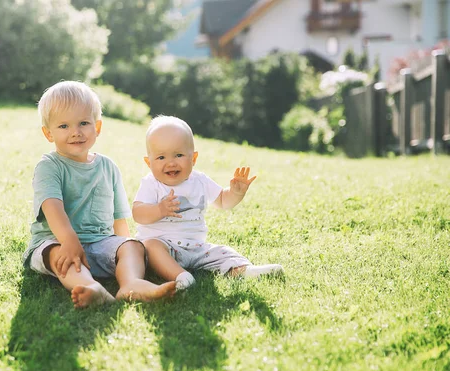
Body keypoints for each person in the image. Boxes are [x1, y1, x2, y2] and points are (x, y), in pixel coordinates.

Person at [22, 82, 176, 308]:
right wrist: (69, 240)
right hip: (56, 240)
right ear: (48, 133)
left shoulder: (108, 167)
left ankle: (131, 284)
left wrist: (123, 247)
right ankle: (91, 287)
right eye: (64, 126)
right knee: (58, 256)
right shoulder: (50, 166)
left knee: (132, 246)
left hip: (100, 243)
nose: (76, 132)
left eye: (84, 123)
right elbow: (52, 207)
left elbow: (118, 217)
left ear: (98, 127)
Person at [132, 116, 283, 291]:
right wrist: (159, 209)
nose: (171, 162)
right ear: (148, 162)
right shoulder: (151, 184)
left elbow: (222, 201)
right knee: (150, 247)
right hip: (164, 248)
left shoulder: (200, 181)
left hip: (197, 249)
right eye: (161, 157)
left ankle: (243, 270)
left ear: (193, 158)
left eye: (179, 155)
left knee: (223, 251)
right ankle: (181, 276)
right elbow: (138, 213)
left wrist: (235, 192)